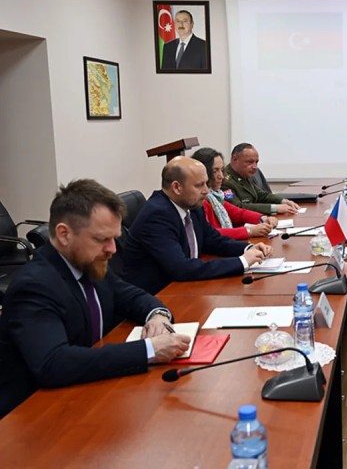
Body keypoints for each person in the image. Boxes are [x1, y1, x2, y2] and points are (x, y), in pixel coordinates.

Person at [0, 179, 191, 418]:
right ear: (64, 234)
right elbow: (54, 363)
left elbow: (133, 296)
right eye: (102, 239)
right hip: (35, 412)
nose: (113, 249)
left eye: (114, 238)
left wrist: (158, 316)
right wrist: (149, 350)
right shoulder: (34, 286)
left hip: (88, 390)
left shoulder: (87, 262)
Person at [123, 156, 271, 295]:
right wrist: (242, 261)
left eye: (206, 183)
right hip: (160, 295)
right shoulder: (157, 215)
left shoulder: (192, 206)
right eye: (199, 185)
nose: (206, 191)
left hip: (185, 287)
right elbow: (181, 268)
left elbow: (212, 240)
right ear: (177, 187)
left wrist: (248, 248)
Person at [191, 147, 278, 240]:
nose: (221, 176)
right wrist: (249, 231)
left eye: (222, 170)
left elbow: (238, 213)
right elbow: (211, 234)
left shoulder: (215, 197)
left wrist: (263, 218)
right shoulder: (200, 201)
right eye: (215, 171)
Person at [222, 143, 300, 216]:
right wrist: (275, 208)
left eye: (256, 162)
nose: (255, 167)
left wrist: (283, 201)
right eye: (250, 162)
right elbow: (238, 207)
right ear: (235, 159)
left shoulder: (244, 175)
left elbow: (261, 195)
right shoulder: (224, 181)